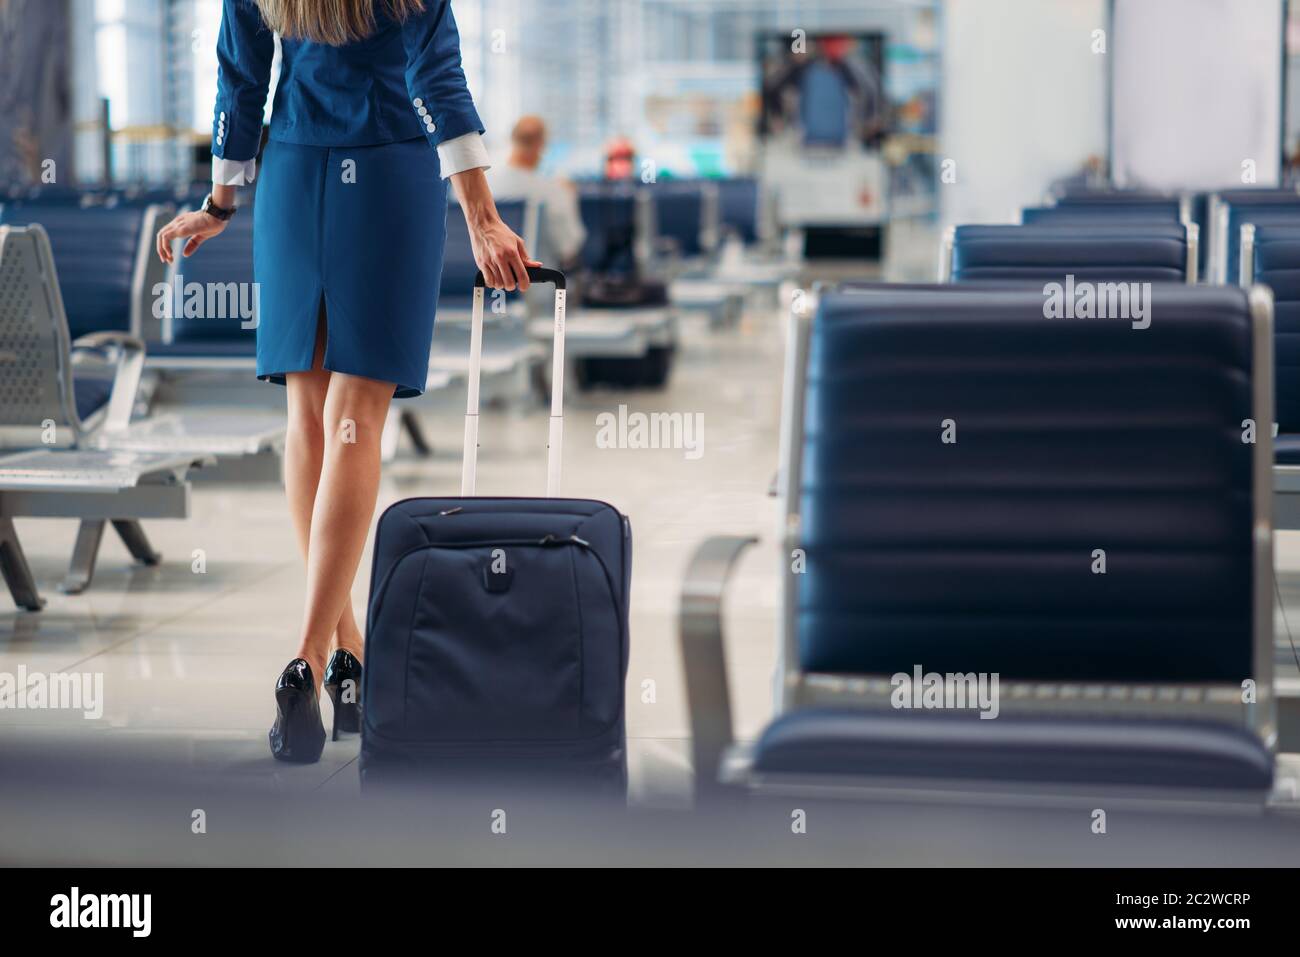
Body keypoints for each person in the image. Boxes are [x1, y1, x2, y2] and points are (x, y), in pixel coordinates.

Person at [153, 0, 538, 763]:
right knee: (356, 416)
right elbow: (438, 77)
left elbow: (241, 77)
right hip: (389, 168)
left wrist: (218, 202)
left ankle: (342, 654)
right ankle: (310, 653)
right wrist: (482, 215)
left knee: (308, 415)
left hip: (293, 172)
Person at [487, 115, 585, 269]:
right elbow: (569, 247)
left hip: (483, 282)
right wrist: (570, 196)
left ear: (512, 140)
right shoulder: (553, 191)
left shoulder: (483, 187)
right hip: (536, 285)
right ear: (541, 145)